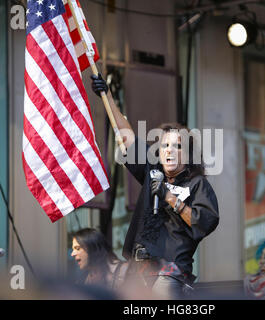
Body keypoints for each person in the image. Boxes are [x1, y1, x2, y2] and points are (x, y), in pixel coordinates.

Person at [90, 74, 220, 299]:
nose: (169, 150)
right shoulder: (153, 172)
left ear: (187, 155)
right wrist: (108, 97)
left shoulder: (197, 184)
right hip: (138, 268)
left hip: (169, 273)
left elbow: (205, 222)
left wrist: (169, 197)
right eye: (164, 145)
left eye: (176, 146)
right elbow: (127, 138)